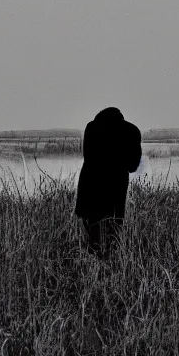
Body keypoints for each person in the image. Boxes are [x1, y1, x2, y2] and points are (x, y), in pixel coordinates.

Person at [74, 107, 142, 259]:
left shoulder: (91, 127)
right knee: (113, 229)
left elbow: (88, 156)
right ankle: (111, 263)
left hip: (90, 185)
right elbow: (133, 166)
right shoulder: (132, 131)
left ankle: (93, 262)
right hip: (116, 186)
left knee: (92, 228)